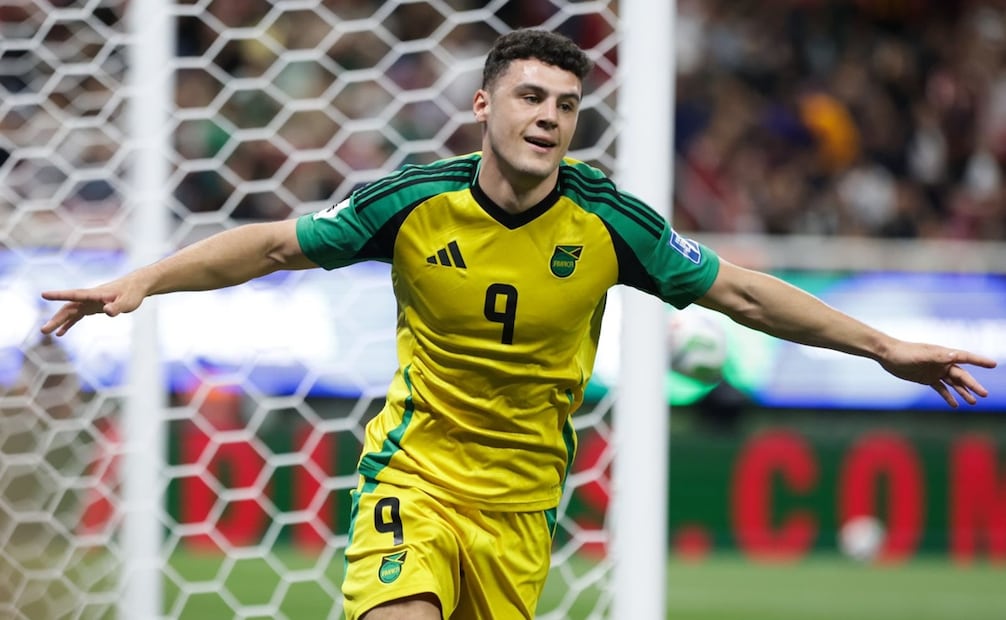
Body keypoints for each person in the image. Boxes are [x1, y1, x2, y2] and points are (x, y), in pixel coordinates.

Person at [39, 29, 996, 620]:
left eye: (567, 106)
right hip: (414, 479)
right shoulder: (415, 203)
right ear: (484, 105)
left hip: (522, 512)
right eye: (532, 97)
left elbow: (742, 294)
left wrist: (884, 347)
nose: (549, 118)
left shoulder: (609, 222)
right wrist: (146, 282)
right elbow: (274, 247)